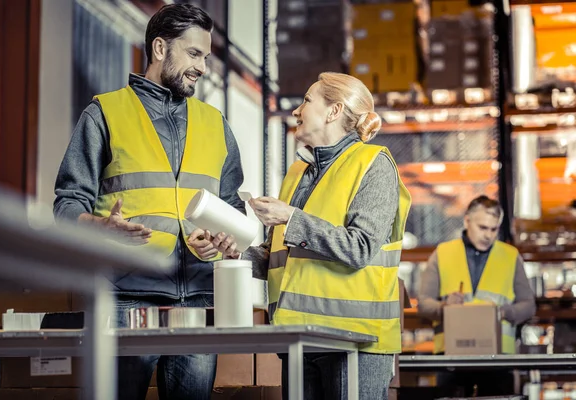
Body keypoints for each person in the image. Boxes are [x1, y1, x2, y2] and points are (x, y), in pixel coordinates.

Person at [53, 4, 245, 400]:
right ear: (160, 48)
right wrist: (99, 227)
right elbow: (67, 205)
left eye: (206, 58)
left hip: (195, 299)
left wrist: (225, 241)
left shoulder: (216, 125)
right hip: (125, 296)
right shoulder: (105, 114)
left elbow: (233, 213)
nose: (203, 68)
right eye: (194, 54)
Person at [209, 72, 412, 400]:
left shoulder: (373, 165)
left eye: (307, 100)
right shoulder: (298, 174)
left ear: (333, 111)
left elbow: (360, 247)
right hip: (299, 338)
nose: (296, 110)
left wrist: (290, 218)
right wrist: (235, 252)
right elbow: (283, 260)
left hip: (356, 341)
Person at [418, 195, 536, 396]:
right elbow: (423, 304)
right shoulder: (443, 253)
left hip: (498, 358)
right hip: (451, 358)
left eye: (493, 229)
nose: (488, 235)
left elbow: (529, 305)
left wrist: (503, 312)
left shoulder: (510, 256)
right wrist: (445, 306)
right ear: (467, 221)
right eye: (482, 228)